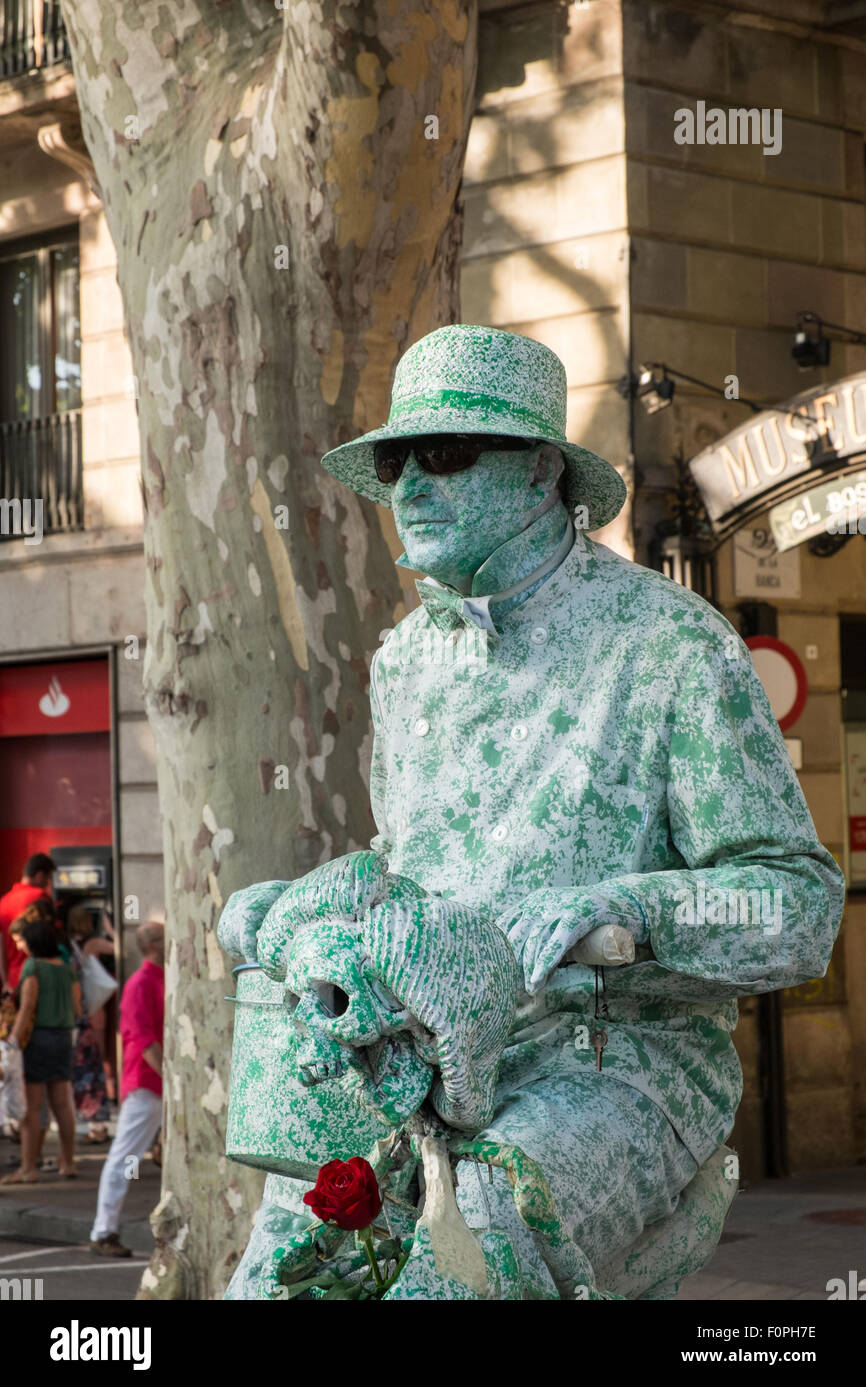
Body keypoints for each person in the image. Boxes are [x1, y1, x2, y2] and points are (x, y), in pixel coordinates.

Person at [221, 324, 845, 1299]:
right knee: (281, 1274)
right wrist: (316, 904)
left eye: (445, 454)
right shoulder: (408, 661)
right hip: (412, 1056)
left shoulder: (669, 644)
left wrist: (629, 907)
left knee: (461, 1245)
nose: (410, 489)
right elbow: (410, 857)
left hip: (623, 1066)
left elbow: (797, 905)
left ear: (541, 473)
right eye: (394, 464)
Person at [89, 921, 164, 1258]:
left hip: (158, 1084)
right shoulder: (139, 983)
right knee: (124, 1157)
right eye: (164, 938)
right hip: (148, 1084)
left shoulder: (160, 979)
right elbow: (145, 1039)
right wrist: (171, 1080)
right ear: (151, 945)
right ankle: (103, 1231)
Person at [0, 911, 80, 1185]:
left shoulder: (33, 967)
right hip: (64, 1038)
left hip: (39, 1039)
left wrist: (11, 1041)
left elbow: (27, 1008)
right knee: (62, 1104)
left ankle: (27, 1168)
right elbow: (78, 1007)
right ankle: (68, 1162)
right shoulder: (66, 969)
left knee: (32, 1108)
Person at [67, 905, 113, 1144]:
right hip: (94, 1010)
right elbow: (122, 947)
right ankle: (98, 1122)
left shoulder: (66, 947)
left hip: (77, 1013)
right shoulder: (92, 944)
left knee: (82, 1067)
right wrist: (111, 929)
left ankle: (90, 1120)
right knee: (98, 1064)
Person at [0, 853, 56, 998]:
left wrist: (5, 980)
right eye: (48, 878)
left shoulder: (4, 901)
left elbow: (1, 946)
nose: (48, 885)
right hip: (39, 976)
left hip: (13, 979)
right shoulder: (40, 897)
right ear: (39, 875)